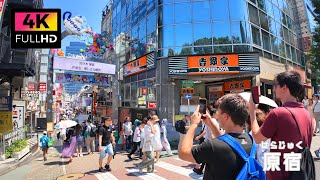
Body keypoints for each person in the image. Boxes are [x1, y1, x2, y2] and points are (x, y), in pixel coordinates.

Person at [249, 71, 313, 180]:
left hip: (279, 175)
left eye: (276, 85)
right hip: (301, 174)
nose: (274, 89)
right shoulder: (306, 113)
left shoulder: (278, 113)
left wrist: (252, 111)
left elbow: (257, 138)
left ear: (285, 88)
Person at [179, 94, 254, 179]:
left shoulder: (213, 146)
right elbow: (230, 142)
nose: (216, 115)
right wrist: (211, 124)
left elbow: (183, 153)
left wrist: (193, 125)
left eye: (218, 111)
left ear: (225, 116)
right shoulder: (251, 140)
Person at [193, 108, 219, 175]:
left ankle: (198, 168)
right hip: (211, 142)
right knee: (209, 158)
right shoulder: (213, 121)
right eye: (217, 113)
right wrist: (215, 141)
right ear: (214, 114)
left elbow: (205, 131)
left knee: (206, 157)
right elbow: (211, 132)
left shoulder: (210, 121)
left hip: (207, 141)